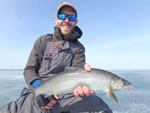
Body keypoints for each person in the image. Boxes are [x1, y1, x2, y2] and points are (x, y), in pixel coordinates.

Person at [0, 2, 112, 113]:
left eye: (71, 17)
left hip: (67, 92)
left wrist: (83, 74)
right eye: (62, 16)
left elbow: (77, 69)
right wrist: (40, 89)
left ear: (76, 22)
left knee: (101, 108)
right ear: (56, 19)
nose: (66, 20)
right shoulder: (43, 41)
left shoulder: (79, 48)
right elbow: (29, 69)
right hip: (41, 90)